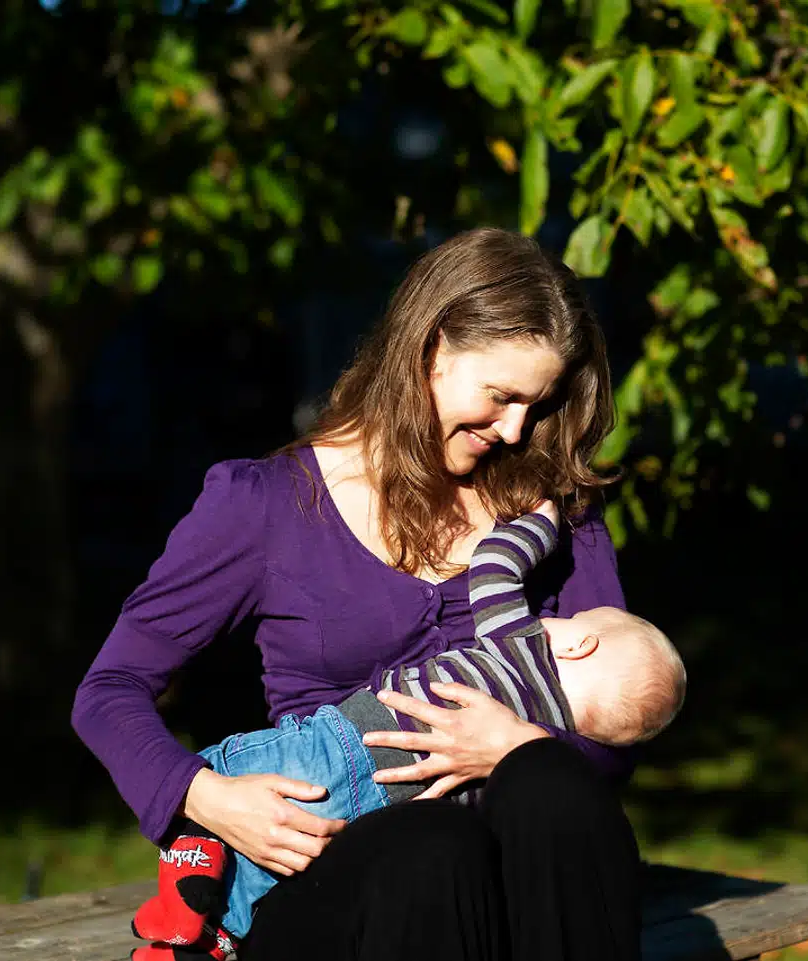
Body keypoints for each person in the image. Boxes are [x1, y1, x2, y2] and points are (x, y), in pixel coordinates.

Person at [73, 227, 651, 961]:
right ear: (431, 347)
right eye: (502, 396)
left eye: (535, 407)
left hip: (521, 883)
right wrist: (210, 797)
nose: (515, 430)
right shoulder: (265, 505)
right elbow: (109, 689)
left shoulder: (553, 509)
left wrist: (516, 745)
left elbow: (623, 721)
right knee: (430, 844)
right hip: (341, 882)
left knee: (550, 782)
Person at [125, 502, 686, 956]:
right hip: (399, 814)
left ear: (576, 642)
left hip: (354, 741)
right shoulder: (554, 722)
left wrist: (538, 520)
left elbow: (494, 568)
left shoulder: (524, 641)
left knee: (252, 781)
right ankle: (207, 936)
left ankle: (193, 876)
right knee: (413, 835)